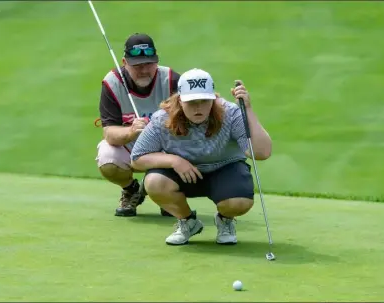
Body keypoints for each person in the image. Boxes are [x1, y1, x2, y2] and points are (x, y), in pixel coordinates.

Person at [130, 68, 272, 245]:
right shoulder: (162, 119)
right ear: (180, 100)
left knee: (240, 202)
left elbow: (261, 152)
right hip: (183, 173)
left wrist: (248, 110)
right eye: (192, 102)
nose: (198, 108)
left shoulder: (230, 113)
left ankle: (225, 220)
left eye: (204, 101)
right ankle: (188, 222)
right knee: (154, 182)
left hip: (224, 169)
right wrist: (174, 161)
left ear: (213, 98)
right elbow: (137, 159)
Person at [96, 33, 181, 217]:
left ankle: (166, 194)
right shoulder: (112, 83)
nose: (144, 70)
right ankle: (131, 189)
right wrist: (132, 131)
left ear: (156, 61)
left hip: (166, 147)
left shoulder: (172, 81)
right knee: (107, 158)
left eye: (149, 64)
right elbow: (109, 132)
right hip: (131, 146)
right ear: (124, 62)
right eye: (137, 65)